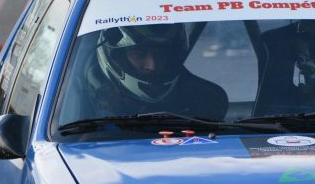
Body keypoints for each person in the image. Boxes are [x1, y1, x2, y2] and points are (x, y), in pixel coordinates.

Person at [84, 24, 228, 121]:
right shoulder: (78, 104)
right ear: (117, 57)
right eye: (140, 54)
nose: (152, 66)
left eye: (160, 54)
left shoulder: (206, 99)